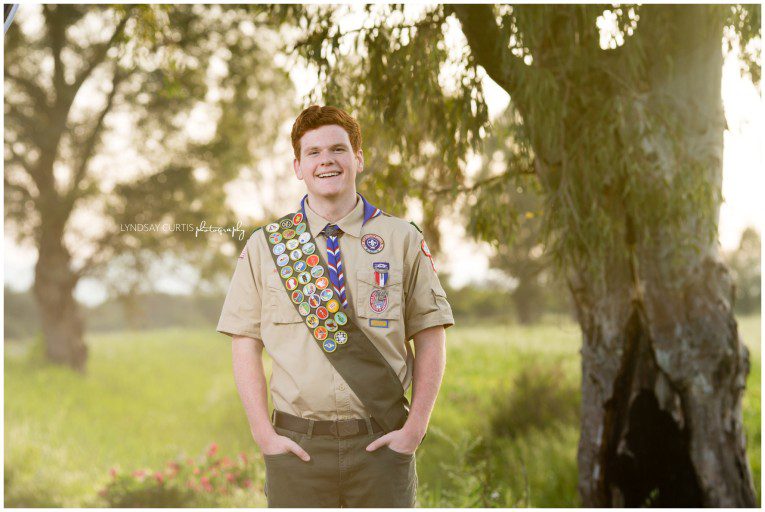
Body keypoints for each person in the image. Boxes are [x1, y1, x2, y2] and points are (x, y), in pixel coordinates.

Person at [216, 105, 454, 507]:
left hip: (381, 442)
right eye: (313, 152)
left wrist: (415, 429)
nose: (326, 160)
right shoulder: (267, 246)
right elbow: (245, 342)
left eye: (338, 149)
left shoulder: (401, 239)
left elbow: (430, 335)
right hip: (297, 449)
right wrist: (264, 436)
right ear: (298, 167)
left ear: (357, 159)